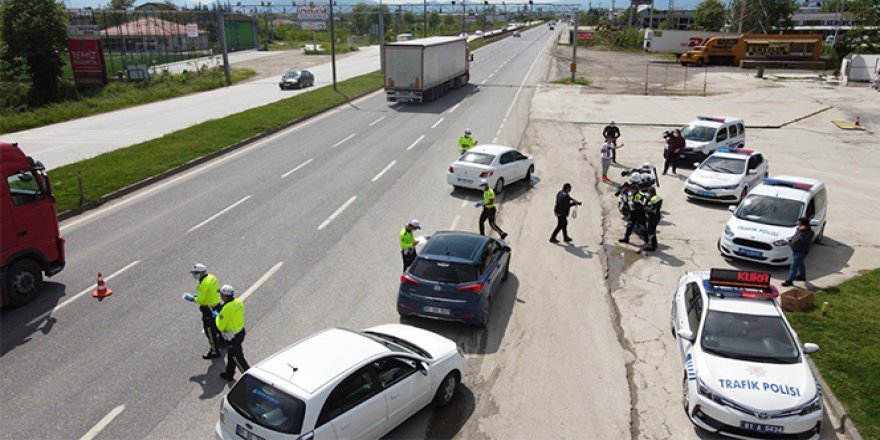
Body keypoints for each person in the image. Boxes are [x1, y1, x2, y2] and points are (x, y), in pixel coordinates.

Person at [183, 263, 222, 359]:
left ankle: (214, 351)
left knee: (210, 331)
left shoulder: (203, 284)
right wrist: (199, 294)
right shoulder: (212, 277)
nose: (194, 275)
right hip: (217, 305)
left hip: (208, 310)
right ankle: (221, 343)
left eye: (195, 273)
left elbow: (201, 300)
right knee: (218, 327)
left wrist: (193, 298)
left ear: (201, 273)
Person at [215, 284, 250, 381]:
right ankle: (229, 373)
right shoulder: (238, 302)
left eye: (221, 294)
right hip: (240, 332)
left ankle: (249, 378)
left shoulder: (226, 309)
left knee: (238, 359)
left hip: (232, 338)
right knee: (232, 355)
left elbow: (220, 326)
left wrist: (217, 317)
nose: (220, 296)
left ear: (225, 296)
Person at [782, 217, 815, 287]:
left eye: (799, 223)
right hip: (795, 249)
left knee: (794, 266)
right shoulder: (799, 229)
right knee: (800, 263)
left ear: (804, 225)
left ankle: (789, 281)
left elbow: (801, 241)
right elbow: (796, 236)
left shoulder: (809, 233)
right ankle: (802, 276)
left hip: (802, 251)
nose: (798, 224)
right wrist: (791, 238)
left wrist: (789, 242)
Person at [643, 187, 663, 252]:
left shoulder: (652, 199)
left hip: (653, 217)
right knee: (653, 231)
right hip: (657, 216)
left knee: (651, 232)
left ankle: (652, 246)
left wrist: (646, 209)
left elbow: (651, 209)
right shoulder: (658, 197)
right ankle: (655, 244)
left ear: (650, 192)